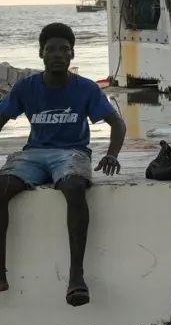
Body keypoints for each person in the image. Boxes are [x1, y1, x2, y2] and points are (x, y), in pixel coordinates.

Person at [0, 23, 125, 305]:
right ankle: (0, 272)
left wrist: (112, 153)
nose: (58, 55)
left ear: (72, 55)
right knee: (2, 187)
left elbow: (116, 122)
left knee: (74, 187)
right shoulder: (26, 87)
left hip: (72, 153)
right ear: (41, 54)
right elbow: (2, 116)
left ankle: (76, 277)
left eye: (64, 50)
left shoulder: (85, 88)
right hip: (33, 154)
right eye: (51, 49)